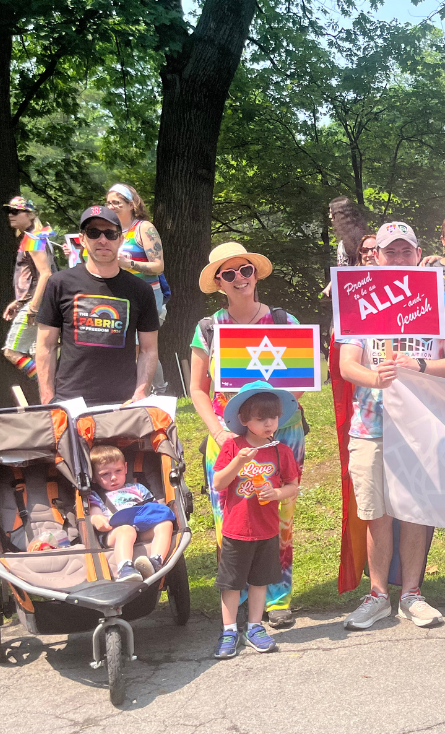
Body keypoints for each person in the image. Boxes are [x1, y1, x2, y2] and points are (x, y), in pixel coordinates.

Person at [338, 222, 445, 630]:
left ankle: (411, 594)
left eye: (405, 251)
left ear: (417, 255)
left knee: (415, 511)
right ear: (375, 256)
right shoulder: (358, 299)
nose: (397, 258)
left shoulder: (436, 301)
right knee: (376, 514)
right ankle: (378, 595)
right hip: (371, 426)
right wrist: (374, 378)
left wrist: (421, 365)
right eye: (389, 251)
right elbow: (346, 365)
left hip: (420, 428)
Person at [189, 241, 307, 628]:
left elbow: (302, 378)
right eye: (229, 273)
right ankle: (235, 596)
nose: (239, 278)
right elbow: (197, 389)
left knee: (280, 515)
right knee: (229, 517)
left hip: (281, 435)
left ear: (255, 274)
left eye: (245, 270)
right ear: (218, 283)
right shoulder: (208, 329)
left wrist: (271, 417)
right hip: (227, 439)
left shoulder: (284, 321)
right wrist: (220, 433)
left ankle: (277, 597)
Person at [211, 382, 301, 658]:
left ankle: (254, 627)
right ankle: (229, 630)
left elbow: (292, 486)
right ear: (244, 419)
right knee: (231, 583)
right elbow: (218, 482)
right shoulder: (233, 446)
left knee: (260, 581)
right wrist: (238, 462)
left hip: (267, 529)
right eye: (261, 418)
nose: (269, 423)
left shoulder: (281, 451)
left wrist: (276, 493)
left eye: (273, 417)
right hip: (236, 529)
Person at [36, 206, 158, 406]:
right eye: (94, 233)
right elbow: (46, 346)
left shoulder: (140, 290)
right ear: (82, 239)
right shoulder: (60, 283)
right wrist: (47, 398)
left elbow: (148, 350)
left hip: (123, 403)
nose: (103, 240)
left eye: (110, 234)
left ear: (121, 239)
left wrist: (140, 393)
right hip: (69, 402)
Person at [103, 183, 169, 394]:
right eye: (108, 203)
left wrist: (129, 264)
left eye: (117, 202)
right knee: (132, 347)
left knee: (140, 346)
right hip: (120, 296)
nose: (111, 206)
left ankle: (151, 391)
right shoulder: (110, 231)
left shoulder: (143, 228)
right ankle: (153, 390)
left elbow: (158, 266)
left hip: (147, 296)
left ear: (131, 205)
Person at [87, 444, 176, 583]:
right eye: (105, 474)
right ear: (94, 477)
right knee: (126, 530)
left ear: (125, 468)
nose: (113, 477)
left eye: (118, 471)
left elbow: (154, 508)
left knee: (166, 524)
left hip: (141, 527)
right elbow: (95, 515)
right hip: (114, 533)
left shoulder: (138, 488)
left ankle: (155, 562)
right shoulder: (96, 496)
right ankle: (125, 569)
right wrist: (98, 520)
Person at [1, 196, 55, 382]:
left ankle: (50, 385)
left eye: (16, 211)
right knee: (39, 354)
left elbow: (46, 274)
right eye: (9, 211)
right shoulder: (35, 237)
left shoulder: (33, 239)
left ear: (30, 215)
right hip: (39, 302)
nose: (11, 215)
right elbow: (32, 277)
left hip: (38, 304)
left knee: (11, 351)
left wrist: (32, 308)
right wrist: (19, 301)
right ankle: (49, 387)